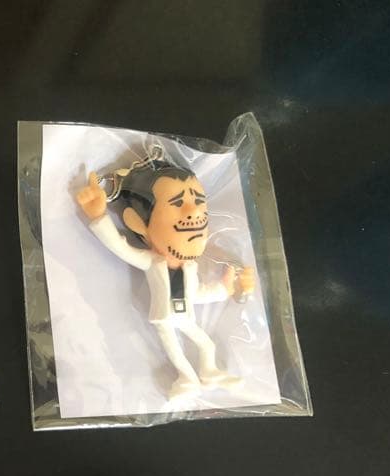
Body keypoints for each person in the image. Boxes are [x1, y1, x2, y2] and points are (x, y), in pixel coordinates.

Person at [75, 156, 255, 399]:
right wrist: (99, 216)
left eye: (199, 202)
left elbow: (197, 293)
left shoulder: (190, 268)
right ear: (137, 223)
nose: (195, 212)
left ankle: (209, 372)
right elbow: (121, 248)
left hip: (185, 315)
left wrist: (225, 288)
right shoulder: (152, 262)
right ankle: (187, 379)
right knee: (176, 352)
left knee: (207, 344)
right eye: (177, 204)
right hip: (164, 319)